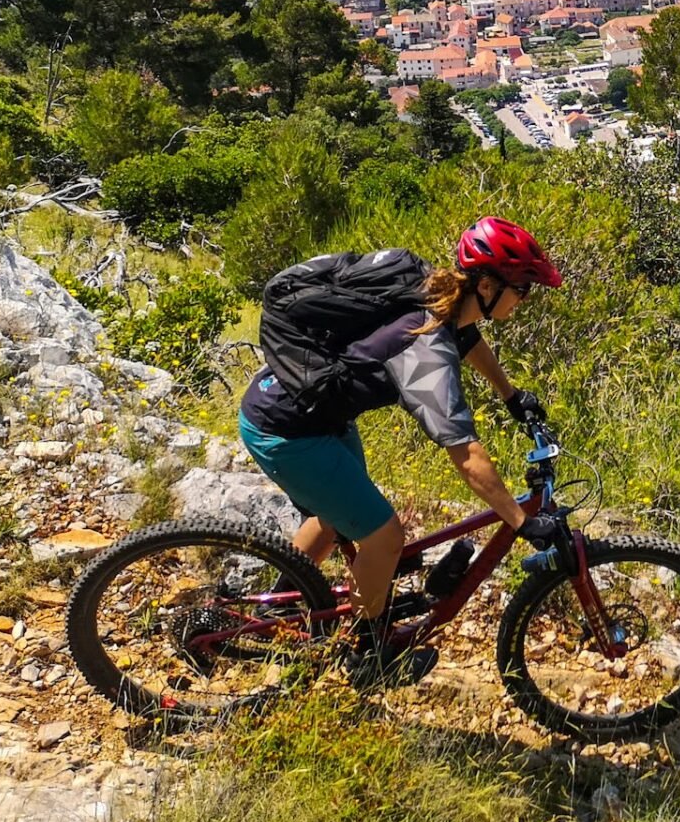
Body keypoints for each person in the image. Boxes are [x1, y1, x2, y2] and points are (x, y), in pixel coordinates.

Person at [237, 217, 564, 686]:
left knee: (336, 520)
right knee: (385, 537)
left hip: (305, 412)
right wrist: (521, 521)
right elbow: (465, 453)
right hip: (287, 430)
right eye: (522, 289)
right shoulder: (425, 345)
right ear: (488, 286)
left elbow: (469, 338)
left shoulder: (437, 293)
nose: (525, 299)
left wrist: (512, 396)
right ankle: (369, 655)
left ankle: (280, 610)